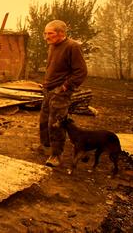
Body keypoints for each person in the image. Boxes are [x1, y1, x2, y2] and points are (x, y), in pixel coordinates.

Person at [38, 20, 88, 167]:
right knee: (44, 120)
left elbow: (81, 72)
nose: (46, 37)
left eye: (50, 33)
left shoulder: (73, 47)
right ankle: (46, 147)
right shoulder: (53, 46)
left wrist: (65, 87)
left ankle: (56, 155)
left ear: (61, 33)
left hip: (60, 92)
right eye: (45, 33)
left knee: (56, 124)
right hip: (49, 89)